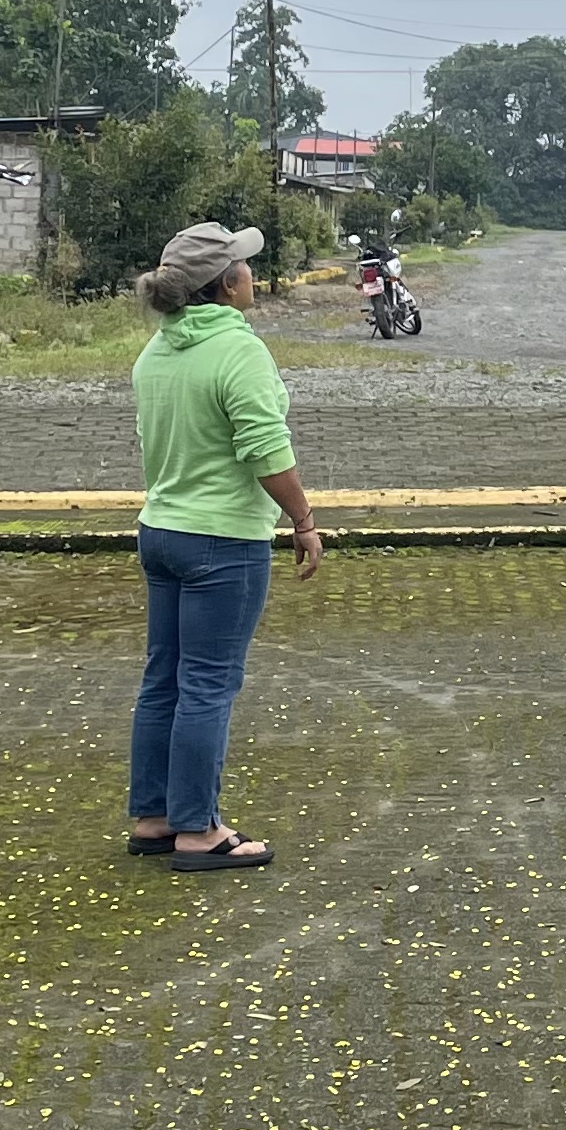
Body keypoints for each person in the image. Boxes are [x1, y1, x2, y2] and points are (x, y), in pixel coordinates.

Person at [126, 221, 324, 870]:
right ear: (226, 284)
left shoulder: (156, 352)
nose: (250, 273)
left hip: (162, 532)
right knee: (208, 684)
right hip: (223, 543)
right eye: (243, 264)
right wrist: (302, 519)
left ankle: (154, 817)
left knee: (164, 679)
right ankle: (198, 830)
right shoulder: (239, 351)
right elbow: (265, 450)